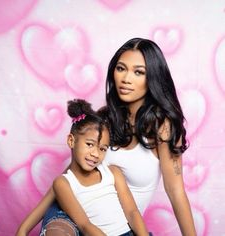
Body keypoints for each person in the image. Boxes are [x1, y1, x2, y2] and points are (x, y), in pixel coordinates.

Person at [17, 38, 197, 235]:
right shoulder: (104, 119)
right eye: (121, 68)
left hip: (118, 227)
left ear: (153, 78)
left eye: (138, 72)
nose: (126, 78)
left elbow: (176, 191)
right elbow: (70, 177)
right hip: (70, 214)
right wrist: (25, 227)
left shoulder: (163, 129)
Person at [16, 98, 149, 236]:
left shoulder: (113, 173)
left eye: (103, 149)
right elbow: (84, 225)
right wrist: (22, 230)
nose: (95, 154)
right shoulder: (64, 183)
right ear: (71, 141)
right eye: (90, 144)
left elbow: (132, 212)